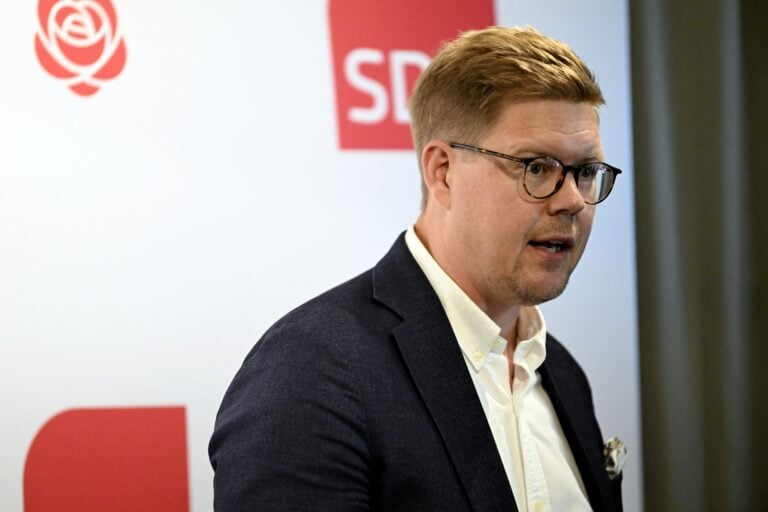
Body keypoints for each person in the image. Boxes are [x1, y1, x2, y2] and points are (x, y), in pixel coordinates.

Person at [209, 26, 624, 512]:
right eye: (537, 168)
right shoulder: (310, 371)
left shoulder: (563, 373)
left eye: (585, 172)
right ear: (442, 171)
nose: (573, 201)